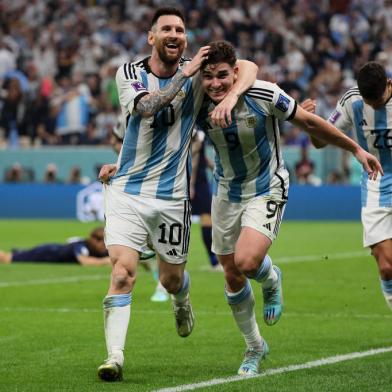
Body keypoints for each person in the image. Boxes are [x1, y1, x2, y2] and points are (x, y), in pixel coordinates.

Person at [196, 41, 383, 376]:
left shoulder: (264, 94)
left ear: (235, 73)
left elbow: (309, 123)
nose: (215, 83)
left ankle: (271, 279)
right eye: (208, 77)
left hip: (266, 187)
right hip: (225, 192)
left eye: (222, 75)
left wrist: (356, 149)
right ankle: (254, 347)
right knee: (231, 273)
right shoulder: (196, 102)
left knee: (247, 261)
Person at [97, 7, 258, 382]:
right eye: (166, 29)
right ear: (151, 37)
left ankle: (181, 299)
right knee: (122, 273)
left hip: (171, 198)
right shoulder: (131, 73)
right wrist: (185, 76)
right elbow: (147, 108)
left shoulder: (199, 73)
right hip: (127, 193)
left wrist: (231, 95)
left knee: (171, 280)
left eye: (181, 30)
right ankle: (114, 358)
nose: (175, 34)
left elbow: (247, 67)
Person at [310, 61, 392, 311]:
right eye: (369, 102)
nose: (374, 105)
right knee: (387, 266)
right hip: (376, 186)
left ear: (388, 85)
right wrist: (311, 123)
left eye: (378, 100)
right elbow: (320, 142)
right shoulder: (351, 101)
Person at [190, 129, 221, 270]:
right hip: (196, 182)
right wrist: (191, 185)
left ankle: (214, 260)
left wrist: (214, 168)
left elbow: (201, 157)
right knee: (207, 218)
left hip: (197, 180)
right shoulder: (196, 132)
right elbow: (195, 159)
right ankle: (214, 261)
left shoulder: (196, 132)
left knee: (207, 219)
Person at [0, 227, 110, 266]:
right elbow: (86, 262)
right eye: (103, 243)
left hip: (51, 249)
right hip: (45, 253)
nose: (105, 247)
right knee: (7, 258)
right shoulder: (81, 246)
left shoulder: (98, 250)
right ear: (95, 240)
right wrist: (106, 261)